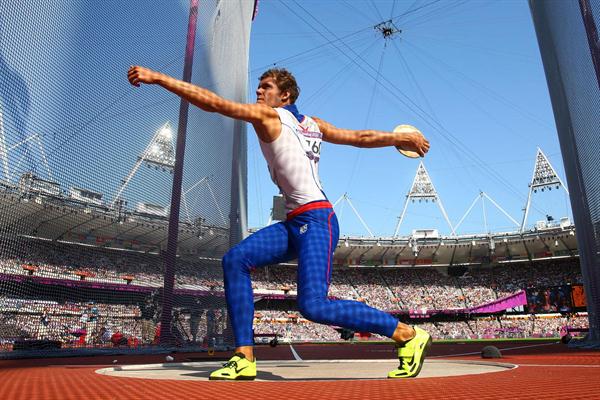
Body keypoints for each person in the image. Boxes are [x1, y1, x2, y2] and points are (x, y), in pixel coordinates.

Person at [127, 65, 431, 380]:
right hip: (297, 222)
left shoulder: (270, 116)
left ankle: (407, 334)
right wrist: (399, 137)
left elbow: (214, 103)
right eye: (259, 87)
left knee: (312, 306)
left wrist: (160, 78)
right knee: (236, 259)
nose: (259, 92)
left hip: (317, 220)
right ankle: (244, 357)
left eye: (266, 87)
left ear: (284, 96)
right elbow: (360, 137)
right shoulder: (312, 124)